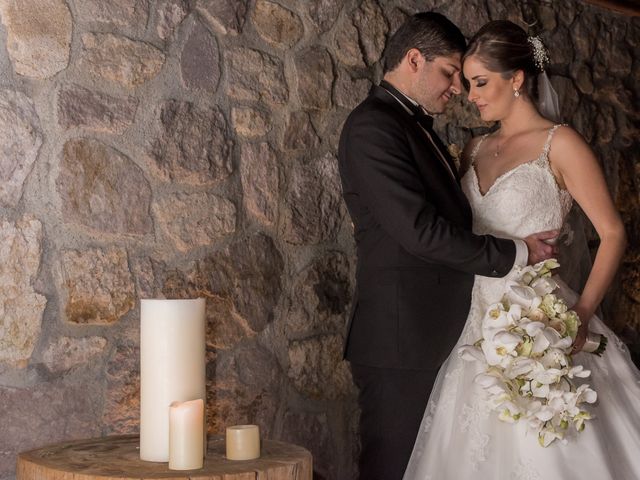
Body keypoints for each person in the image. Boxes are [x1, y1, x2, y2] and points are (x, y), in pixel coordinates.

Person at [403, 20, 640, 480]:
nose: (470, 95)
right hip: (475, 326)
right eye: (468, 83)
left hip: (543, 320)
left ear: (517, 79)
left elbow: (613, 233)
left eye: (481, 82)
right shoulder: (474, 149)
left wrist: (583, 315)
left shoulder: (562, 144)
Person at [337, 13, 557, 480]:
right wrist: (517, 252)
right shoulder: (373, 127)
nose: (458, 88)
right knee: (391, 469)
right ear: (414, 59)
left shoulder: (414, 126)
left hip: (440, 334)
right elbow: (419, 231)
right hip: (401, 341)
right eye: (449, 73)